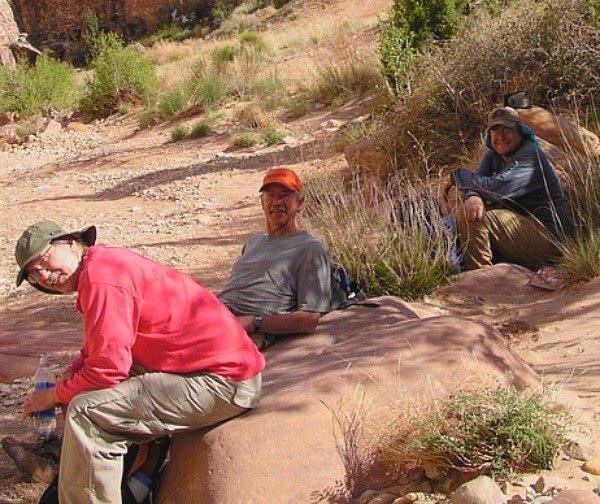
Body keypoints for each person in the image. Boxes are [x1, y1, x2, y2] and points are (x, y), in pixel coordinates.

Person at [14, 220, 264, 504]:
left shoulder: (102, 278)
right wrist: (66, 382)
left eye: (45, 261)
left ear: (70, 242)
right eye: (35, 275)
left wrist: (52, 395)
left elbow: (108, 368)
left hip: (223, 383)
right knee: (89, 395)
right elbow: (99, 350)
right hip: (204, 371)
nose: (45, 276)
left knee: (87, 413)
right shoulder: (102, 266)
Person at [443, 106, 573, 271]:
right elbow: (477, 181)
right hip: (518, 229)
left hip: (549, 237)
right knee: (456, 218)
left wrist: (457, 176)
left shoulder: (531, 156)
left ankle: (480, 278)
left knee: (475, 217)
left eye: (507, 130)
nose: (500, 136)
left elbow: (498, 189)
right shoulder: (492, 155)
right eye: (495, 131)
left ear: (519, 131)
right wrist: (473, 196)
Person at [218, 166, 332, 348]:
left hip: (248, 325)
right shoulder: (252, 243)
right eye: (271, 196)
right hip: (216, 313)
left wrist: (253, 322)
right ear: (262, 203)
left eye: (285, 195)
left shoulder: (311, 248)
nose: (277, 202)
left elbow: (309, 319)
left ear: (300, 203)